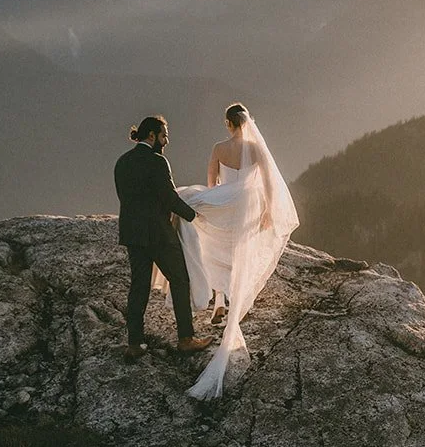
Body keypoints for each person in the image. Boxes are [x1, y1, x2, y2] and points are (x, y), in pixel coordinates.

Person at [174, 103, 299, 399]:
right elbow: (268, 183)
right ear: (247, 122)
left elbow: (211, 182)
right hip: (248, 207)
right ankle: (228, 300)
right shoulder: (256, 149)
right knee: (239, 253)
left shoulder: (219, 147)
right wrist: (267, 210)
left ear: (228, 124)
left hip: (224, 203)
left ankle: (218, 299)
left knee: (212, 247)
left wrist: (216, 203)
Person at [114, 115, 213, 361]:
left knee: (139, 286)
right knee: (179, 279)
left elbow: (125, 198)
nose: (166, 141)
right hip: (158, 233)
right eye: (164, 135)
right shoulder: (158, 161)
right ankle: (186, 339)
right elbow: (169, 197)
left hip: (132, 233)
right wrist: (194, 215)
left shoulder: (122, 162)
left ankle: (135, 343)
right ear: (152, 135)